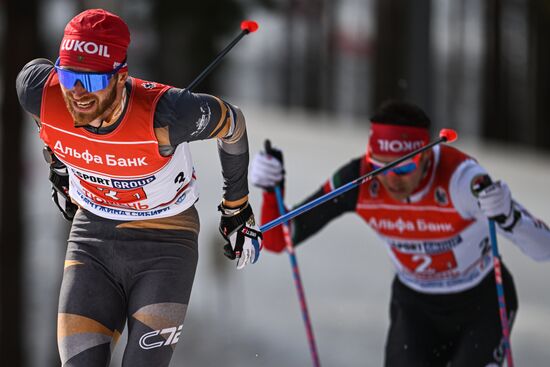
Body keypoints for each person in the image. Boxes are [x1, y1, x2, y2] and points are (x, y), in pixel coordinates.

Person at [16, 9, 262, 367]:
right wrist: (58, 167)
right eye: (69, 77)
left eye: (95, 82)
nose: (79, 94)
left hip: (164, 244)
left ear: (121, 77)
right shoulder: (40, 92)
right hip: (93, 240)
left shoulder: (167, 115)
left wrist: (236, 208)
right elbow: (46, 115)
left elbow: (233, 124)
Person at [250, 100, 550, 366]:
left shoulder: (461, 180)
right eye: (381, 166)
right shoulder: (359, 179)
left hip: (481, 305)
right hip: (415, 307)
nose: (392, 179)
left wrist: (509, 216)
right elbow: (280, 239)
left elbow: (544, 248)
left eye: (404, 168)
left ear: (427, 158)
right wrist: (270, 192)